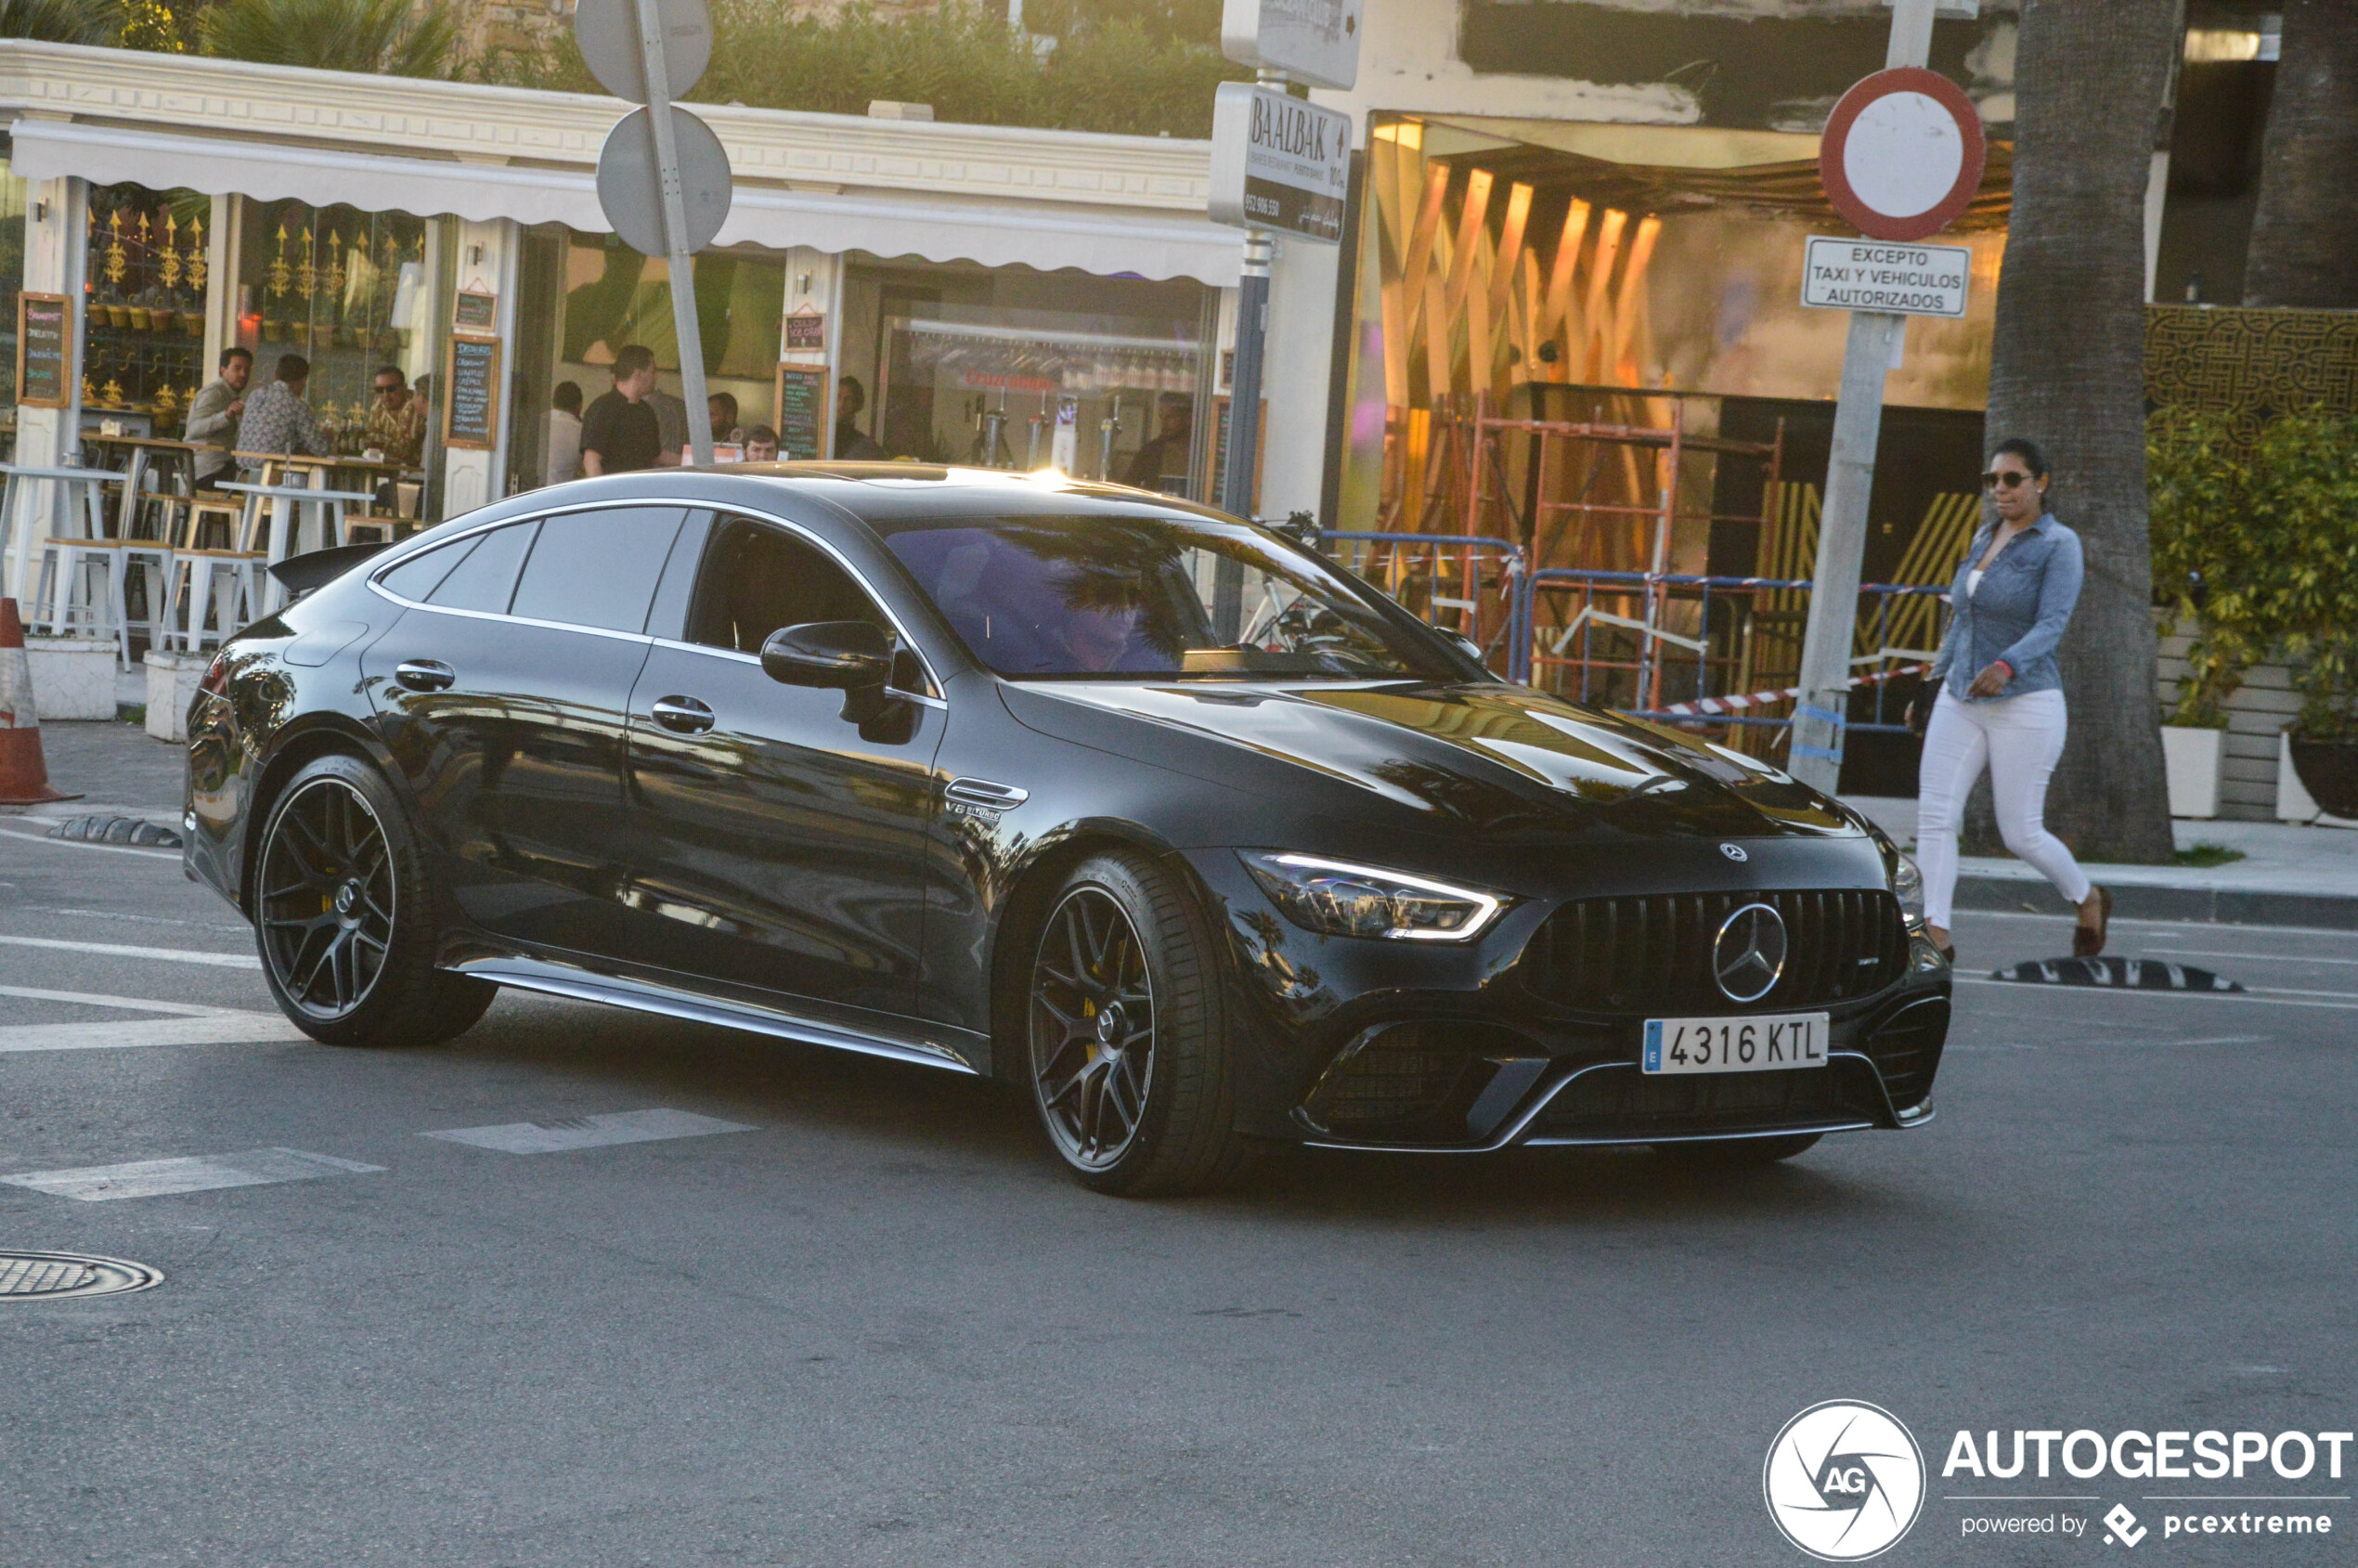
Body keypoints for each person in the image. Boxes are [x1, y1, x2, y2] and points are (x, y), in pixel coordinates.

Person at [1911, 437, 2110, 964]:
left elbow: (2053, 623)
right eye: (1992, 480)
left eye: (2012, 479)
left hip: (2026, 701)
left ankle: (2087, 898)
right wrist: (1931, 684)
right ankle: (1936, 932)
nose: (2000, 489)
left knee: (2021, 833)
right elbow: (1963, 618)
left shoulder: (2058, 543)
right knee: (1935, 816)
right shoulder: (1984, 536)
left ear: (2040, 483)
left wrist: (2006, 665)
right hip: (1961, 697)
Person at [237, 354, 333, 469]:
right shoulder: (297, 405)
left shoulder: (254, 395)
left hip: (242, 471)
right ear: (303, 381)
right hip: (272, 473)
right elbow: (321, 449)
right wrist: (327, 436)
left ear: (276, 376)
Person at [580, 346, 663, 476]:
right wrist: (602, 495)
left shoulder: (647, 411)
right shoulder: (603, 409)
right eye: (652, 372)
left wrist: (690, 459)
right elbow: (591, 460)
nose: (656, 377)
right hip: (614, 492)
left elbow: (655, 455)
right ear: (638, 374)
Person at [183, 345, 252, 487]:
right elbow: (193, 429)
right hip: (208, 470)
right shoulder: (213, 393)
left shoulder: (231, 396)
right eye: (237, 368)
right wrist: (226, 415)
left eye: (247, 370)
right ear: (223, 370)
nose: (243, 374)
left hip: (224, 467)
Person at [1121, 395, 1193, 491]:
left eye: (1170, 417)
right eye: (1161, 417)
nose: (1164, 422)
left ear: (1188, 419)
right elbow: (1128, 486)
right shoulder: (1150, 452)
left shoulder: (1199, 453)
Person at [363, 364, 426, 467]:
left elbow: (405, 449)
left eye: (391, 389)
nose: (385, 395)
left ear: (404, 388)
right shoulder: (378, 403)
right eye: (380, 390)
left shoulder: (415, 404)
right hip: (382, 467)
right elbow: (371, 437)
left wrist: (380, 442)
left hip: (410, 472)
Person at [836, 374, 884, 460]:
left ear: (858, 405)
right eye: (837, 397)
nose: (841, 404)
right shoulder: (818, 436)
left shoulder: (866, 447)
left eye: (848, 399)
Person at [545, 381, 583, 486]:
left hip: (530, 492)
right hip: (563, 494)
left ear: (553, 401)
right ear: (579, 407)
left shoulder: (538, 422)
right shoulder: (581, 431)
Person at [645, 382, 689, 466]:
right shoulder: (680, 404)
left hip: (658, 473)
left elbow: (657, 455)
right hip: (686, 471)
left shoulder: (648, 409)